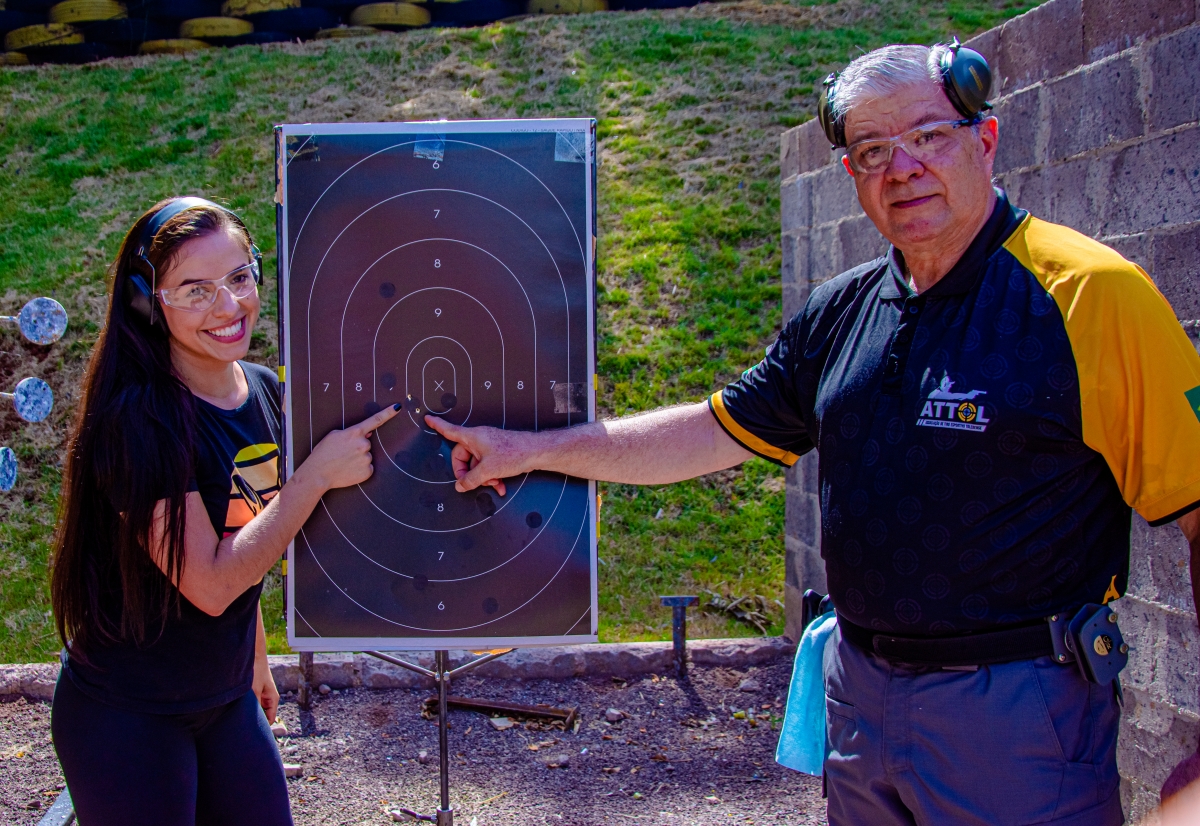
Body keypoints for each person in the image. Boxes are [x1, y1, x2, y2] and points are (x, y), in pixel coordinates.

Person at [427, 43, 1200, 825]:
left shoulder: (1092, 297)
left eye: (928, 136)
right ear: (853, 178)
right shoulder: (842, 311)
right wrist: (529, 451)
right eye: (872, 151)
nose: (902, 167)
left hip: (1019, 708)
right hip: (861, 695)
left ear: (985, 140)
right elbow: (709, 431)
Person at [49, 197, 399, 826]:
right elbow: (210, 583)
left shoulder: (261, 388)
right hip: (128, 713)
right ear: (145, 302)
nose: (229, 306)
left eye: (239, 278)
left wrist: (255, 658)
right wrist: (314, 476)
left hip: (225, 693)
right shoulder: (138, 422)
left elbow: (246, 523)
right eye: (195, 290)